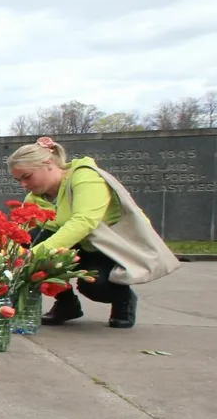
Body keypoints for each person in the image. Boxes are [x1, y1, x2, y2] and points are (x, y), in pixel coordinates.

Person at [8, 137, 141, 328]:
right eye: (18, 180)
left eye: (27, 177)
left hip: (102, 248)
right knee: (26, 244)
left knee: (94, 286)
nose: (23, 185)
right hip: (71, 247)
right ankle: (67, 304)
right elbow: (25, 231)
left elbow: (83, 222)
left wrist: (34, 255)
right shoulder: (34, 197)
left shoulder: (85, 177)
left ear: (48, 163)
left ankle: (123, 298)